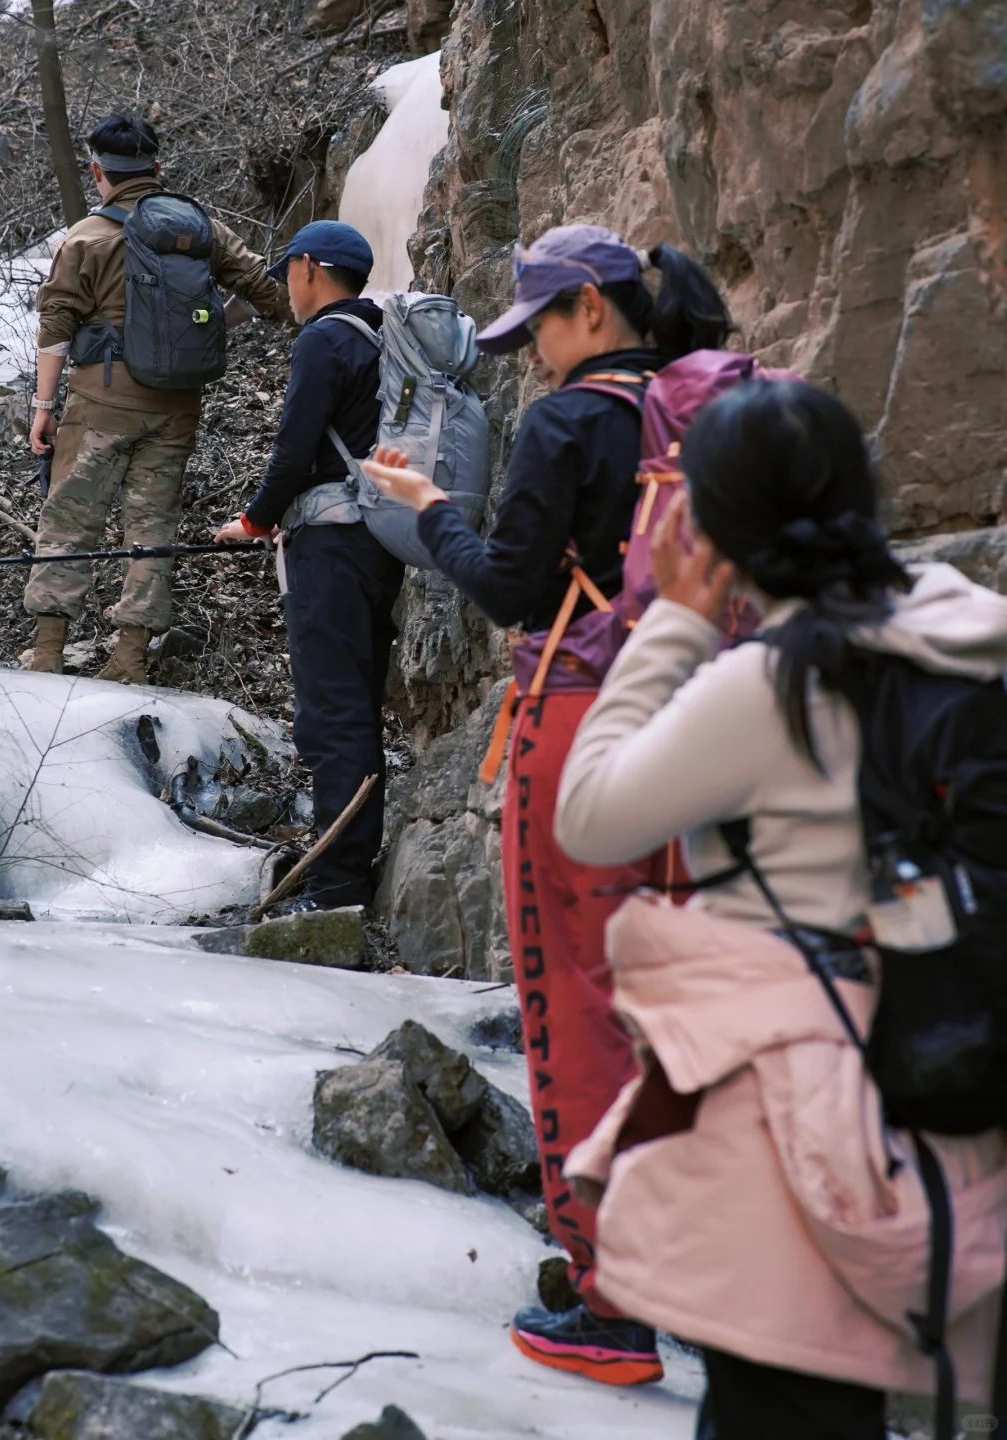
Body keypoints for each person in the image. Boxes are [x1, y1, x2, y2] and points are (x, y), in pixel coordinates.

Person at [554, 380, 1007, 1437]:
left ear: (712, 523)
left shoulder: (771, 684)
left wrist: (672, 622)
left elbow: (591, 815)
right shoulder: (969, 644)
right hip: (957, 1072)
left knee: (780, 1410)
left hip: (799, 1112)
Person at [362, 224, 732, 1385]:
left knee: (574, 993)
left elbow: (511, 585)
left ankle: (610, 1301)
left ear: (586, 309)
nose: (532, 359)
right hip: (704, 718)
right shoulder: (712, 409)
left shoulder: (574, 418)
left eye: (537, 333)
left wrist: (429, 507)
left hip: (583, 724)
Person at [25, 111, 294, 682]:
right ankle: (129, 659)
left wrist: (43, 410)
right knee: (152, 527)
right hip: (176, 406)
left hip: (102, 403)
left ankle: (48, 654)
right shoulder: (200, 232)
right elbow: (271, 295)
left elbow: (56, 326)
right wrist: (216, 325)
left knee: (71, 521)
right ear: (158, 168)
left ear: (98, 173)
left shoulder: (87, 238)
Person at [215, 220, 404, 913]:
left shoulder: (325, 337)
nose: (287, 288)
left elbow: (295, 449)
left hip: (331, 544)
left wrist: (257, 519)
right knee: (355, 702)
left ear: (310, 270)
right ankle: (347, 870)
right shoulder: (380, 333)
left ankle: (337, 888)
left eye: (289, 272)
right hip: (379, 540)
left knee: (334, 715)